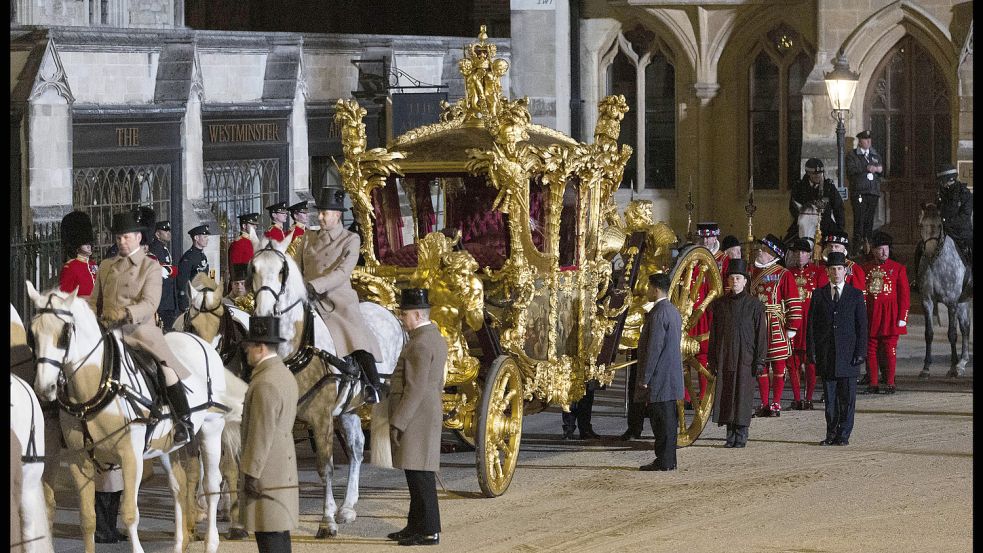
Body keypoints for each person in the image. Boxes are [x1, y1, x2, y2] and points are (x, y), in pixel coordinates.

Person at [89, 211, 194, 444]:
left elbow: (150, 303)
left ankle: (182, 420)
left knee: (165, 367)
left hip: (139, 331)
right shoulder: (106, 266)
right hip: (106, 329)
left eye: (126, 237)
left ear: (138, 237)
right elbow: (93, 299)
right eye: (118, 237)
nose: (121, 241)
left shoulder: (150, 267)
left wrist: (127, 313)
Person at [295, 187, 383, 404]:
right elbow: (296, 266)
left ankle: (373, 385)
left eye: (325, 213)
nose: (321, 217)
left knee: (354, 334)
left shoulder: (350, 239)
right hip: (305, 297)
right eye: (320, 213)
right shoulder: (307, 238)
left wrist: (315, 285)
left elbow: (343, 272)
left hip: (337, 300)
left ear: (337, 215)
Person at [388, 288, 447, 546]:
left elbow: (414, 388)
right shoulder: (432, 337)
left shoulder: (420, 344)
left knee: (421, 476)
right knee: (415, 474)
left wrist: (398, 421)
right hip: (424, 412)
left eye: (404, 314)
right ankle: (415, 525)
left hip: (417, 416)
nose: (402, 318)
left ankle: (429, 530)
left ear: (416, 314)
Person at [239, 315, 299, 553]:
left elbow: (260, 434)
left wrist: (251, 473)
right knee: (279, 534)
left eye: (249, 347)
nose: (246, 353)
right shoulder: (283, 374)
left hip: (267, 471)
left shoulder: (265, 383)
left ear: (260, 348)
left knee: (269, 538)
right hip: (281, 465)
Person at [808, 252, 868, 446]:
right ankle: (831, 433)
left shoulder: (855, 295)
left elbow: (862, 327)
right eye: (832, 269)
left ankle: (844, 434)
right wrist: (812, 351)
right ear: (827, 272)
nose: (836, 272)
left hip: (848, 356)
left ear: (845, 271)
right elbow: (812, 327)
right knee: (830, 399)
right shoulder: (818, 295)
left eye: (840, 269)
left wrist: (861, 352)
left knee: (847, 399)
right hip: (827, 356)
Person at [709, 259, 767, 448]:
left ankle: (741, 433)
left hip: (746, 358)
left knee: (742, 395)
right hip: (725, 356)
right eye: (732, 278)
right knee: (727, 394)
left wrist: (760, 361)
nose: (735, 281)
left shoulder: (755, 305)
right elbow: (714, 334)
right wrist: (712, 359)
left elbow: (761, 336)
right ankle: (730, 434)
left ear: (745, 281)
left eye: (738, 278)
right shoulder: (720, 305)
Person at [749, 234, 803, 417]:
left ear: (773, 254)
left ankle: (776, 403)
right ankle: (764, 403)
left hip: (776, 324)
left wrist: (792, 327)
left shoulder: (784, 274)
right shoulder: (752, 273)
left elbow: (793, 302)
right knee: (761, 364)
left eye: (763, 250)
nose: (760, 252)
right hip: (757, 324)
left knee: (779, 365)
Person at [636, 273, 684, 470]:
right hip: (670, 375)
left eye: (648, 287)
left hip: (660, 377)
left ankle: (663, 461)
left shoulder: (658, 314)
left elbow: (653, 348)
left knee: (661, 422)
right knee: (669, 421)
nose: (646, 291)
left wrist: (645, 378)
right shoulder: (672, 311)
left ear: (655, 289)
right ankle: (669, 460)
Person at [860, 231, 909, 395]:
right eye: (880, 249)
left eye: (886, 249)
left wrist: (902, 318)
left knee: (889, 350)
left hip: (890, 316)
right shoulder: (865, 269)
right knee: (871, 350)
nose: (884, 252)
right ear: (873, 250)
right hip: (870, 315)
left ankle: (890, 382)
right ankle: (873, 382)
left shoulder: (898, 269)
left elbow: (904, 297)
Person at [785, 238, 828, 410]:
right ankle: (797, 398)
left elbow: (823, 300)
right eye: (797, 252)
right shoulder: (787, 273)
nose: (800, 256)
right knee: (793, 361)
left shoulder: (819, 273)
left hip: (811, 324)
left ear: (810, 254)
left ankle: (809, 398)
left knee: (810, 361)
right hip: (794, 324)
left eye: (803, 252)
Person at [845, 130, 884, 255]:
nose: (868, 141)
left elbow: (881, 170)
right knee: (859, 219)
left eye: (870, 139)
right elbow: (851, 171)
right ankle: (857, 247)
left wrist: (878, 169)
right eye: (865, 139)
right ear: (859, 141)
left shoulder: (875, 155)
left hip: (872, 192)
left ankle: (868, 246)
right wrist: (866, 168)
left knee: (869, 220)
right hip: (859, 192)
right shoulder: (852, 155)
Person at [788, 158, 845, 240]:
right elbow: (793, 206)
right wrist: (804, 218)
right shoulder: (799, 188)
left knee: (840, 245)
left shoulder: (829, 187)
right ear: (808, 173)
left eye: (820, 173)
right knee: (787, 245)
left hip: (825, 225)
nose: (818, 176)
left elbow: (839, 208)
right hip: (804, 225)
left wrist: (840, 228)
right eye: (814, 174)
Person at [934, 162, 973, 264]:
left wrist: (947, 222)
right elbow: (938, 209)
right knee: (922, 247)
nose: (941, 184)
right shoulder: (941, 192)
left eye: (942, 181)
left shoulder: (965, 194)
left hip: (960, 233)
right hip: (943, 231)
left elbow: (965, 216)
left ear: (950, 179)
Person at [59, 211, 98, 296]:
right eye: (85, 244)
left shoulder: (93, 265)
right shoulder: (70, 268)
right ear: (76, 247)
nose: (89, 247)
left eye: (89, 243)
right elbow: (65, 298)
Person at [149, 220, 179, 329]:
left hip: (167, 297)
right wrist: (172, 270)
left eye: (169, 231)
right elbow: (159, 267)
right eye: (165, 231)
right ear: (157, 234)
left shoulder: (163, 248)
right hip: (162, 298)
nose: (169, 233)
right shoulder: (155, 248)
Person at [177, 224, 212, 313]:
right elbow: (182, 281)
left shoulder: (202, 256)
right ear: (196, 238)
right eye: (204, 237)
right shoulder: (188, 257)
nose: (207, 239)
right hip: (192, 299)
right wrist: (184, 303)